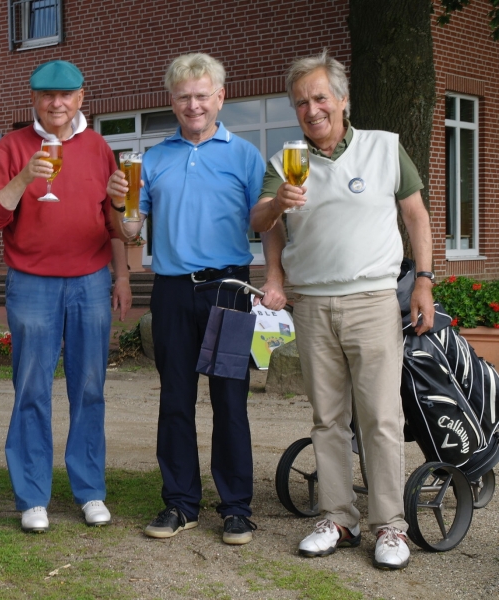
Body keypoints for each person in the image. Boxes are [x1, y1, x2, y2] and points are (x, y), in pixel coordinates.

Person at [250, 50, 435, 570]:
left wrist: (423, 281)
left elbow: (416, 217)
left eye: (320, 98)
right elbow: (262, 223)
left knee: (380, 417)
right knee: (328, 418)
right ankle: (338, 517)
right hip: (311, 304)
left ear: (343, 99)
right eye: (301, 102)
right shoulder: (285, 159)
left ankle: (390, 525)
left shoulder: (384, 147)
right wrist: (277, 206)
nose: (311, 110)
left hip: (373, 299)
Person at [107, 53, 266, 545]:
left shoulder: (246, 156)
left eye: (202, 95)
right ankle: (180, 503)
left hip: (229, 289)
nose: (193, 105)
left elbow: (269, 224)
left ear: (220, 97)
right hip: (173, 289)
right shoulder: (151, 160)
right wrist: (119, 201)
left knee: (229, 399)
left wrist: (277, 278)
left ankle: (236, 508)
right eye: (183, 97)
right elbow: (130, 230)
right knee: (175, 398)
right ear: (171, 102)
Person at [0, 60, 132, 533]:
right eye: (47, 95)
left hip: (91, 280)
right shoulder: (11, 146)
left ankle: (90, 489)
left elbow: (114, 222)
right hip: (32, 282)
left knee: (90, 388)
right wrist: (24, 177)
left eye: (66, 95)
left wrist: (122, 276)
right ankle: (31, 496)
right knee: (31, 389)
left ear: (81, 98)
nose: (56, 103)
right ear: (34, 99)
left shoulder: (99, 147)